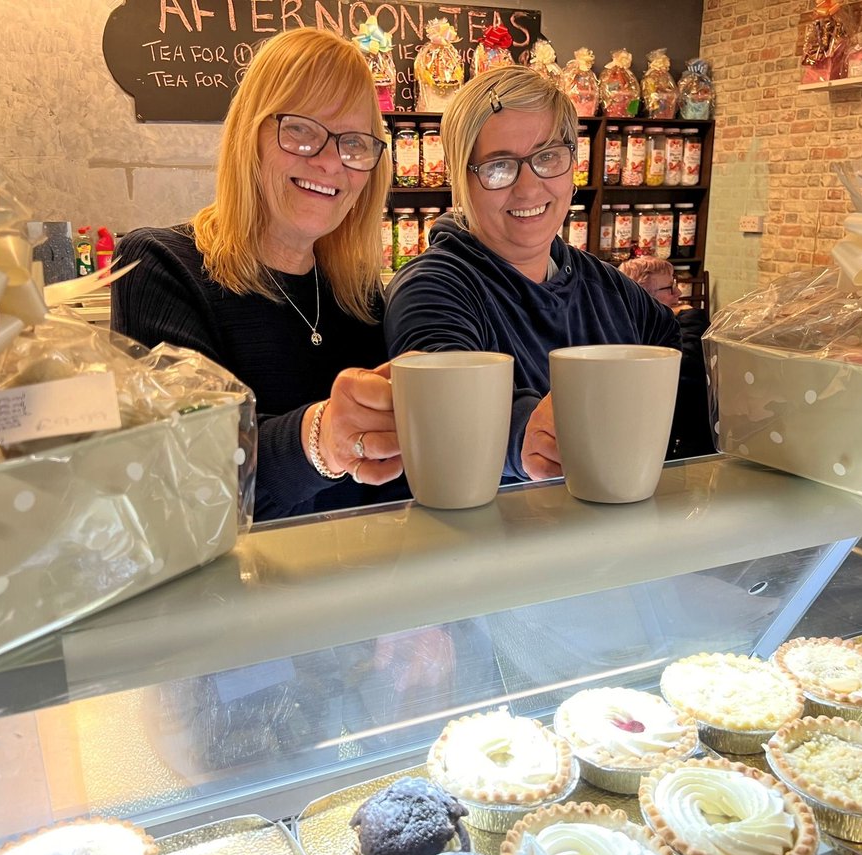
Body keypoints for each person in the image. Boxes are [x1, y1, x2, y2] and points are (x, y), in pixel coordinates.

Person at [112, 28, 407, 520]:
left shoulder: (363, 299)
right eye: (302, 130)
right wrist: (322, 440)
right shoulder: (158, 267)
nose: (332, 161)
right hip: (238, 594)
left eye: (354, 142)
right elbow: (183, 478)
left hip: (373, 585)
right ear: (251, 137)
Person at [385, 65, 712, 482]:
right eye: (499, 166)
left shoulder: (604, 283)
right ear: (460, 178)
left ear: (573, 165)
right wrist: (525, 435)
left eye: (547, 158)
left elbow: (669, 346)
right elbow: (445, 395)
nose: (528, 188)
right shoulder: (433, 287)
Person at [618, 257, 715, 456]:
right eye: (670, 287)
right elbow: (685, 369)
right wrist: (691, 316)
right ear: (644, 296)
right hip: (672, 443)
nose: (678, 293)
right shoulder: (683, 321)